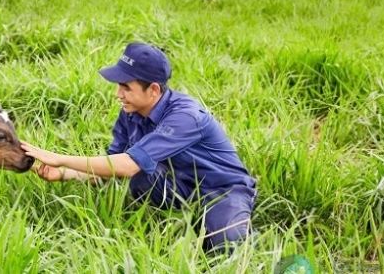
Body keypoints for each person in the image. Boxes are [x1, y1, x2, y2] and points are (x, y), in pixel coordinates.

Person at [21, 42, 257, 252]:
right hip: (178, 186)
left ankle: (237, 231)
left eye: (126, 87)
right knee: (141, 174)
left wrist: (58, 158)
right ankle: (172, 224)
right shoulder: (131, 112)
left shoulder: (185, 116)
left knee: (227, 246)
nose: (118, 94)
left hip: (221, 190)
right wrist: (62, 174)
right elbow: (111, 167)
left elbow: (125, 166)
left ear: (153, 90)